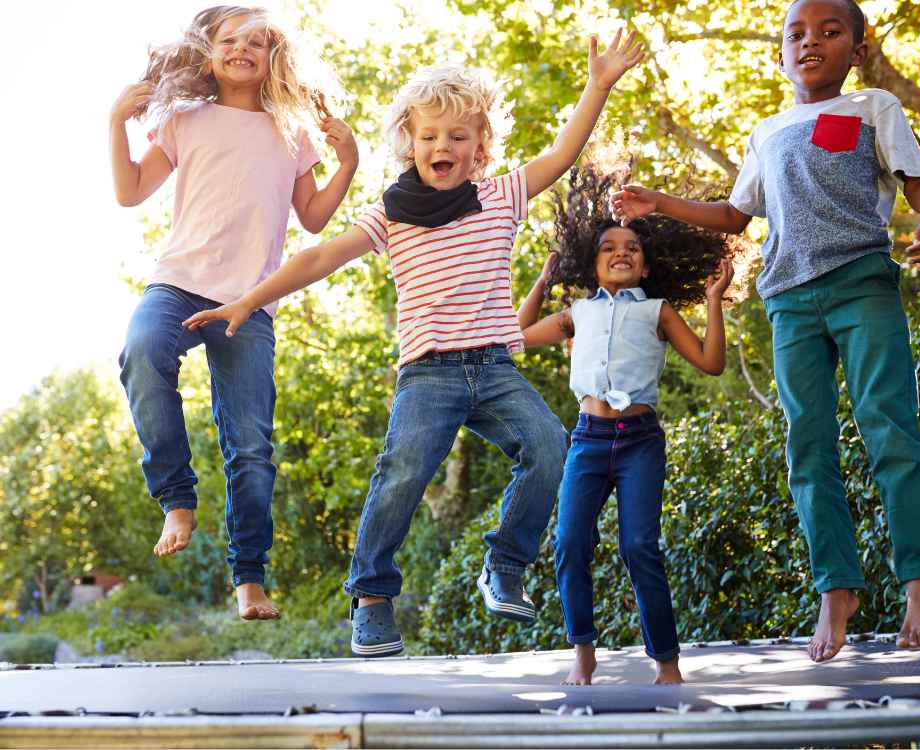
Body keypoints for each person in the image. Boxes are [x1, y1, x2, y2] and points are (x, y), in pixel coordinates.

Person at [182, 31, 645, 656]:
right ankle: (372, 597)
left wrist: (598, 85)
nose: (441, 147)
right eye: (428, 136)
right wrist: (247, 299)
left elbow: (562, 153)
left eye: (457, 137)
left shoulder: (500, 195)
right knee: (400, 474)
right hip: (429, 373)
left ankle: (504, 566)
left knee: (547, 446)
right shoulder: (391, 213)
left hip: (494, 366)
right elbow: (320, 254)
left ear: (480, 146)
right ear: (410, 142)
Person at [612, 0, 920, 662]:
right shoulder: (766, 131)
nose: (810, 43)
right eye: (795, 33)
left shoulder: (873, 108)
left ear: (857, 50)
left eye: (830, 33)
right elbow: (734, 214)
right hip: (789, 302)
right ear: (780, 50)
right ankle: (836, 589)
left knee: (888, 424)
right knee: (808, 446)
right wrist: (658, 202)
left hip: (861, 282)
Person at [111, 5, 359, 620]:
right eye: (230, 40)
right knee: (141, 351)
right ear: (209, 51)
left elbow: (315, 218)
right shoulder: (185, 119)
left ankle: (250, 580)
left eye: (256, 42)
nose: (242, 49)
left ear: (274, 57)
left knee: (250, 446)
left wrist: (348, 161)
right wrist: (116, 119)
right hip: (178, 283)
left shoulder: (292, 132)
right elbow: (129, 191)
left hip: (249, 301)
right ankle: (177, 498)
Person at [518, 167, 734, 684]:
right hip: (588, 442)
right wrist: (543, 281)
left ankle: (667, 663)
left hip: (639, 443)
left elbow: (711, 363)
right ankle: (583, 651)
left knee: (640, 547)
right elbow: (517, 335)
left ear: (646, 264)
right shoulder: (577, 313)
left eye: (633, 247)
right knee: (570, 542)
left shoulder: (659, 311)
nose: (622, 252)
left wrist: (711, 302)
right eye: (609, 246)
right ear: (590, 263)